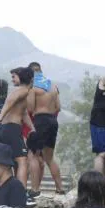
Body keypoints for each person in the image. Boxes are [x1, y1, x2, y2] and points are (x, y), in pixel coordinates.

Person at [27, 64, 66, 198]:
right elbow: (58, 107)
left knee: (33, 155)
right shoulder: (53, 86)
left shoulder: (33, 87)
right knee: (49, 158)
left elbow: (31, 108)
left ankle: (35, 189)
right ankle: (60, 188)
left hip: (40, 120)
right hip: (52, 121)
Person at [0, 68, 32, 194]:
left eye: (14, 77)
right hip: (11, 128)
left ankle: (8, 191)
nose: (12, 79)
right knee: (22, 161)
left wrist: (32, 129)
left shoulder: (21, 92)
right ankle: (21, 193)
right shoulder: (22, 91)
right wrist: (0, 116)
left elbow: (24, 113)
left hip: (5, 129)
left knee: (7, 163)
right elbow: (10, 100)